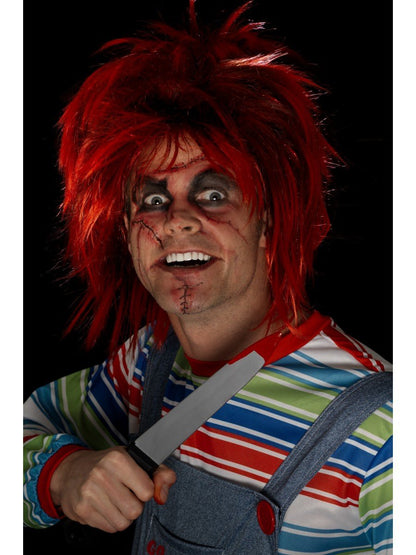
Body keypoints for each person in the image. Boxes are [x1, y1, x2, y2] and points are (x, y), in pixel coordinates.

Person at [24, 1, 392, 553]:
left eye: (213, 194)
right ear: (125, 231)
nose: (177, 220)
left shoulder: (384, 430)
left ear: (269, 221)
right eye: (153, 200)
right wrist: (61, 474)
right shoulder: (147, 364)